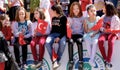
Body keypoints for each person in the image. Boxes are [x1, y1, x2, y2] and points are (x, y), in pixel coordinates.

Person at [98, 1, 120, 68]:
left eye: (104, 8)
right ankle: (105, 59)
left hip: (113, 34)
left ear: (108, 8)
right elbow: (100, 27)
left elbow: (118, 28)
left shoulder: (115, 18)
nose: (102, 9)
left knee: (111, 42)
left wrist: (111, 31)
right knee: (100, 41)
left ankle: (108, 60)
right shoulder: (102, 17)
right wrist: (103, 29)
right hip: (104, 33)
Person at [45, 4, 67, 69]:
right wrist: (50, 37)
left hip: (61, 34)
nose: (50, 12)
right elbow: (53, 30)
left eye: (51, 11)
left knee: (63, 44)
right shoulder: (53, 18)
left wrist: (59, 38)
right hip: (53, 34)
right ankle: (54, 61)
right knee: (47, 43)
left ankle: (57, 60)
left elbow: (64, 31)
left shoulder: (63, 18)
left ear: (55, 11)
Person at [67, 2, 84, 70]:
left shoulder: (82, 17)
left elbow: (84, 28)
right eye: (74, 9)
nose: (76, 10)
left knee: (79, 42)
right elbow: (68, 28)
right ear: (72, 10)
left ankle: (81, 61)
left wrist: (84, 36)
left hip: (80, 34)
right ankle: (71, 61)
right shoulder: (70, 18)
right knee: (70, 42)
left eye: (77, 8)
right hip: (72, 35)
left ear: (80, 9)